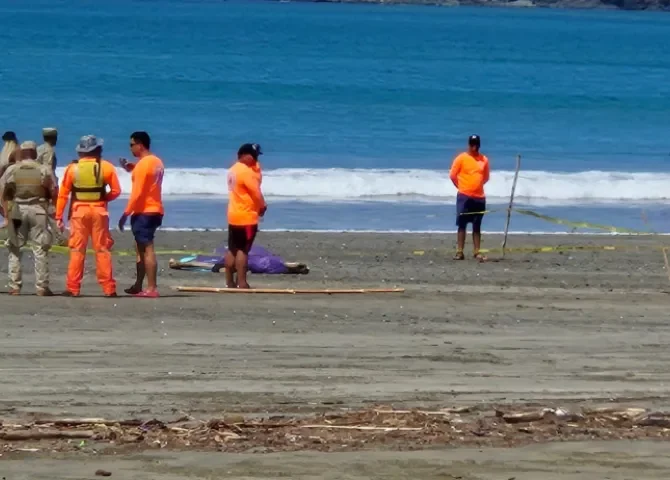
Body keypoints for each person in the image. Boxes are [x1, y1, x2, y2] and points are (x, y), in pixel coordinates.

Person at [55, 135, 121, 297]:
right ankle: (108, 288)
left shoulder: (72, 169)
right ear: (97, 150)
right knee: (102, 250)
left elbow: (63, 194)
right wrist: (103, 197)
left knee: (77, 250)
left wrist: (59, 216)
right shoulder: (106, 167)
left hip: (79, 212)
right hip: (99, 211)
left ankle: (73, 288)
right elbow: (116, 191)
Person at [0, 141, 58, 296]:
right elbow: (54, 191)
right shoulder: (43, 169)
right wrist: (52, 209)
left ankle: (15, 286)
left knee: (15, 248)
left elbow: (3, 193)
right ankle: (41, 287)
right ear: (34, 153)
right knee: (40, 248)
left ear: (22, 153)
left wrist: (6, 214)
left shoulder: (12, 169)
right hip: (38, 210)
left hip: (17, 210)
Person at [118, 131, 165, 298]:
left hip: (144, 210)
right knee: (140, 248)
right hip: (155, 209)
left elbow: (137, 192)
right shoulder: (156, 161)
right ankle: (139, 284)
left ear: (140, 144)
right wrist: (131, 168)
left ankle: (151, 288)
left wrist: (125, 213)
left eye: (131, 144)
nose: (130, 148)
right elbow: (148, 177)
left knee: (147, 249)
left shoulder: (144, 165)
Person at [224, 143, 267, 289]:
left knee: (232, 249)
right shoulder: (246, 172)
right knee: (243, 250)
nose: (255, 160)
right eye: (253, 156)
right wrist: (263, 206)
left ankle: (229, 281)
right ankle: (241, 282)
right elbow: (256, 191)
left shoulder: (232, 170)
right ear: (244, 155)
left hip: (233, 214)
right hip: (246, 216)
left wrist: (256, 166)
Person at [449, 134, 490, 261]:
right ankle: (460, 251)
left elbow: (486, 177)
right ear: (469, 145)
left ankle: (477, 251)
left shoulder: (484, 160)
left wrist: (476, 185)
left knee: (477, 225)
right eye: (472, 144)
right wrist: (461, 187)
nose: (474, 147)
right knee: (462, 224)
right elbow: (452, 175)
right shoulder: (461, 158)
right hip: (464, 196)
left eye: (476, 144)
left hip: (479, 197)